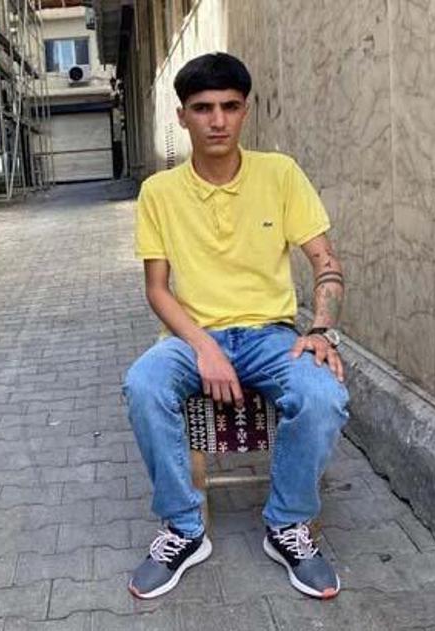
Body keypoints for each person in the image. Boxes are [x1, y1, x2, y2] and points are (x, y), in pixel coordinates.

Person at [123, 52, 349, 601]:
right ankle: (184, 528)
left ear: (246, 110)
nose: (218, 120)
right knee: (143, 384)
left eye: (229, 106)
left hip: (272, 335)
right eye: (203, 108)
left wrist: (321, 330)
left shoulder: (280, 174)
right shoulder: (159, 192)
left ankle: (287, 524)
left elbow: (326, 262)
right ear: (182, 117)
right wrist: (205, 348)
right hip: (189, 336)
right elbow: (157, 289)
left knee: (323, 395)